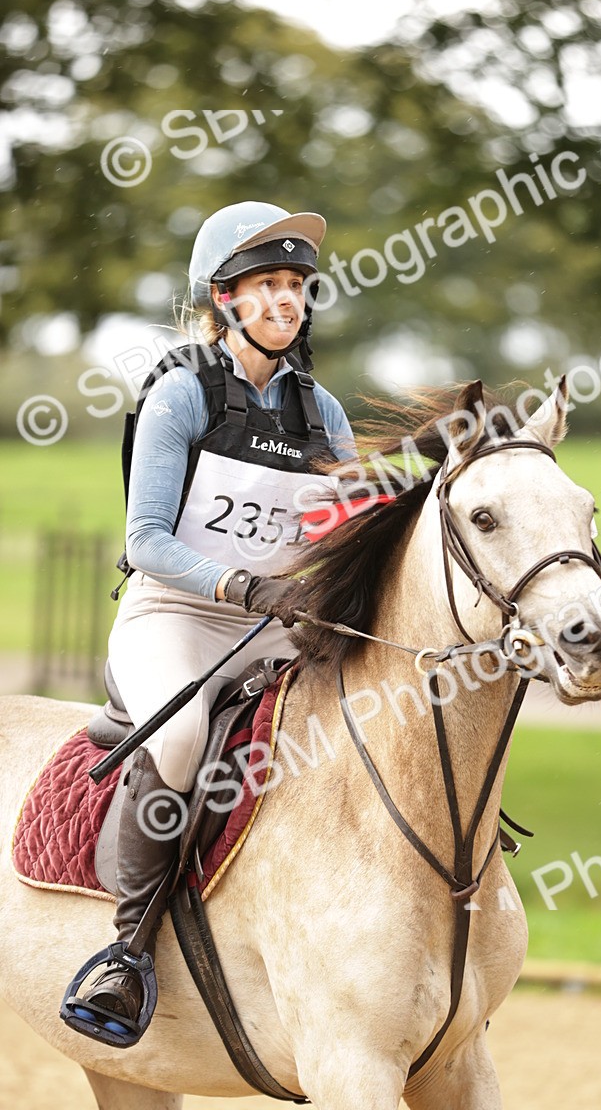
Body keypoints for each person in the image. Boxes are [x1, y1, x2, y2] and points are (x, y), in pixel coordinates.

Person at [66, 200, 355, 1041]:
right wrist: (243, 587)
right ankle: (126, 954)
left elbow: (346, 525)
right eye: (267, 284)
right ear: (225, 300)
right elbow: (146, 541)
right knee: (186, 736)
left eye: (297, 285)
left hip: (277, 625)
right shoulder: (182, 392)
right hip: (177, 615)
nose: (287, 301)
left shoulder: (321, 411)